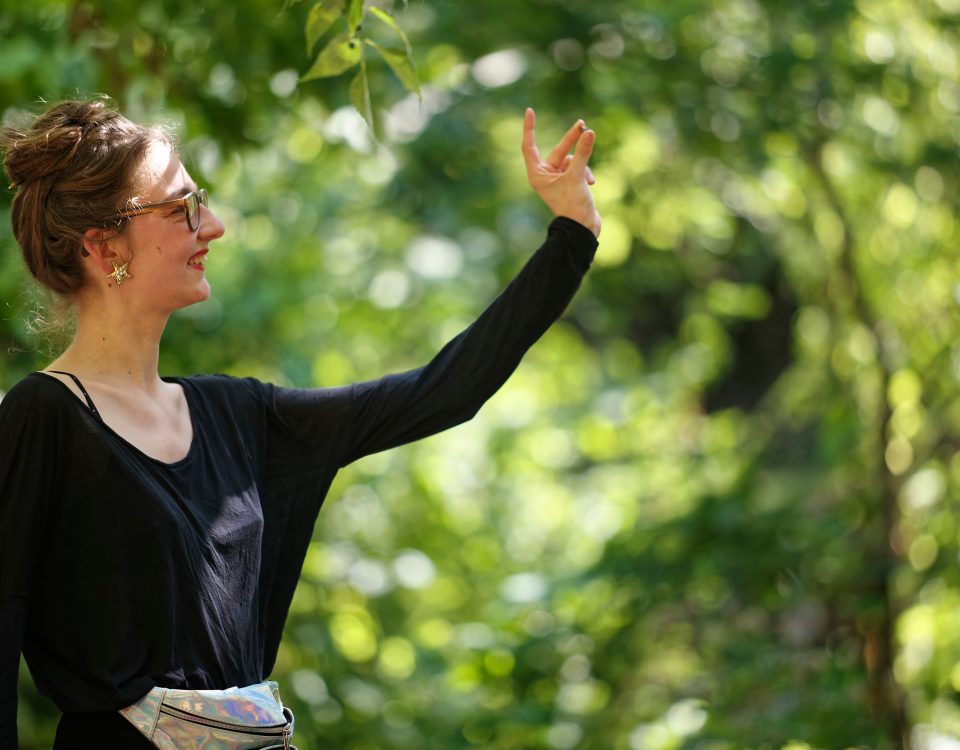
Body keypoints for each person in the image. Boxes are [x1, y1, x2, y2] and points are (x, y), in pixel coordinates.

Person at [0, 97, 601, 749]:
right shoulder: (43, 418)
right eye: (182, 208)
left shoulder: (239, 416)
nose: (216, 226)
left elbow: (442, 392)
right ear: (101, 243)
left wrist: (573, 234)